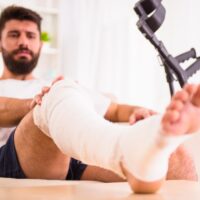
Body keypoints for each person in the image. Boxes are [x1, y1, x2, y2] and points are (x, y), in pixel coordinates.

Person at [0, 5, 197, 193]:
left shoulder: (57, 85)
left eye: (31, 35)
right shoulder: (52, 90)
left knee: (176, 157)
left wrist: (142, 113)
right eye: (14, 35)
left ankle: (141, 162)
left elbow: (117, 110)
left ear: (40, 44)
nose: (23, 42)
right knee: (59, 92)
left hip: (74, 155)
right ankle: (123, 152)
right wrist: (39, 103)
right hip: (21, 155)